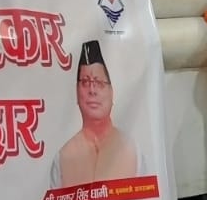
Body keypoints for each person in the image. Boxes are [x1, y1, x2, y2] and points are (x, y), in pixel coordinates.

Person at [49, 39, 145, 189]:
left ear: (112, 92)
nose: (92, 90)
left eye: (99, 83)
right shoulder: (63, 157)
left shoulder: (132, 151)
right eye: (85, 82)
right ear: (77, 92)